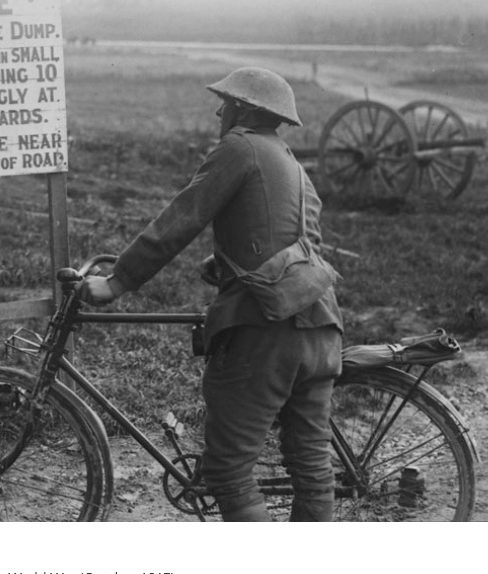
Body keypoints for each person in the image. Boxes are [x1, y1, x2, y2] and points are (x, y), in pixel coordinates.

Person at [81, 67, 343, 522]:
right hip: (321, 329)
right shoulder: (292, 166)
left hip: (265, 333)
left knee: (228, 471)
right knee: (312, 463)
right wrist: (226, 265)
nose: (219, 110)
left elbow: (182, 217)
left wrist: (117, 281)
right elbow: (297, 242)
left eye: (227, 102)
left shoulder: (239, 147)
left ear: (244, 109)